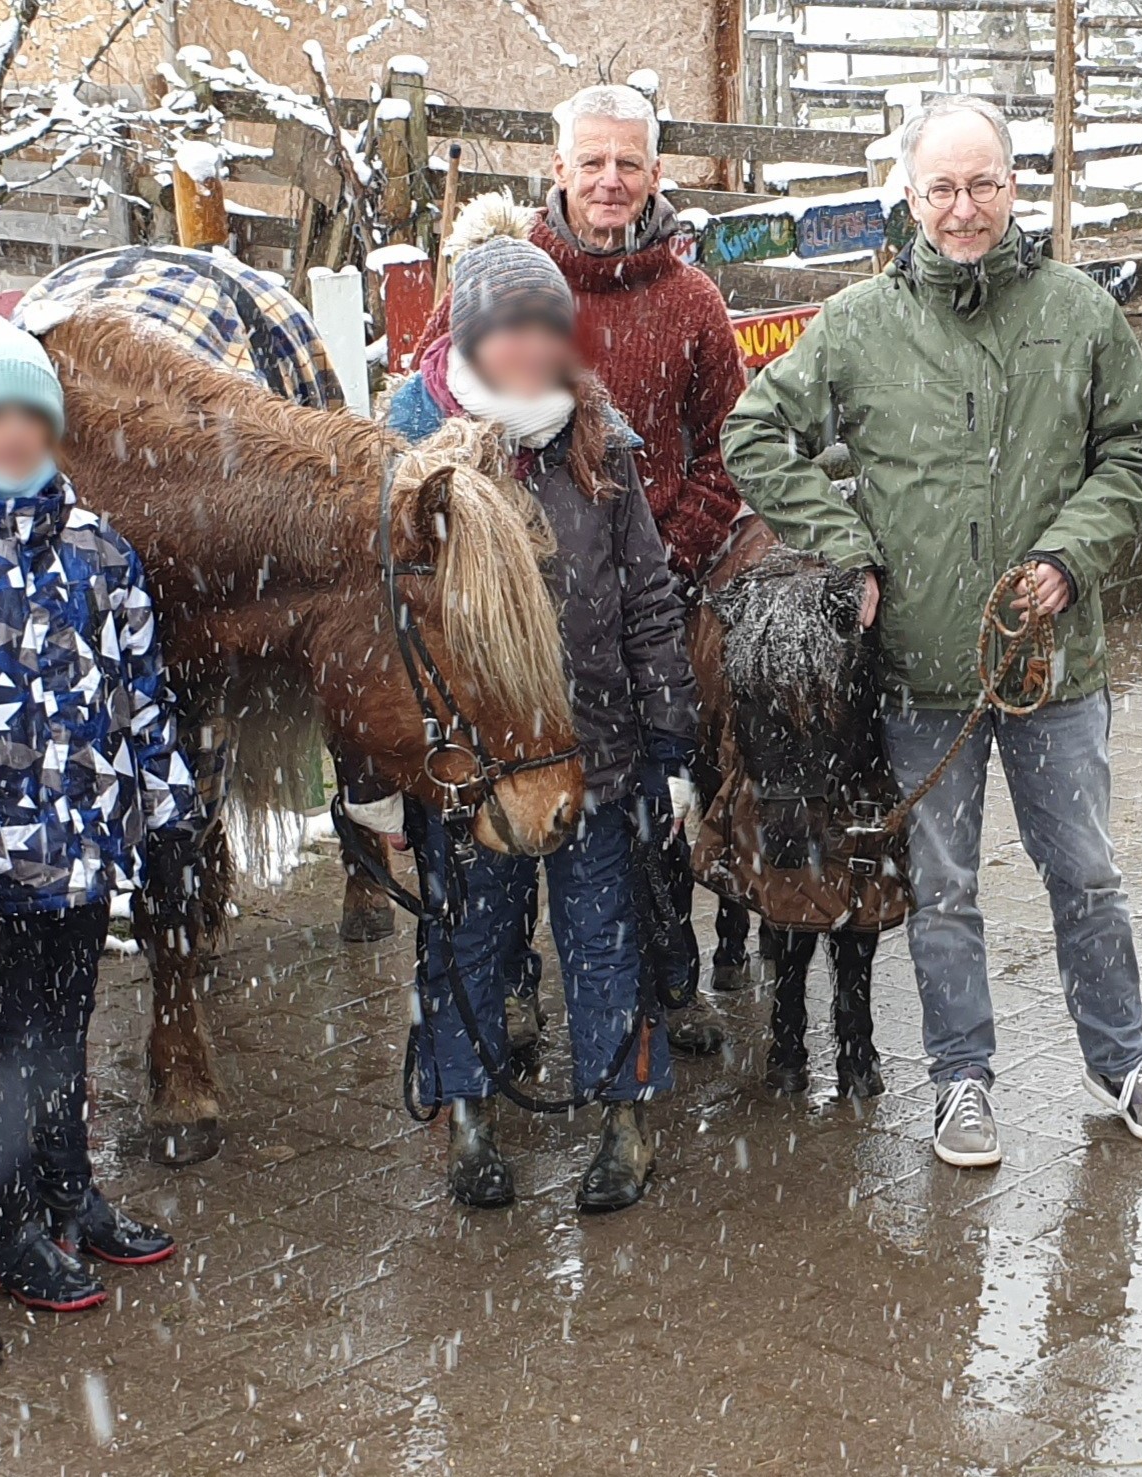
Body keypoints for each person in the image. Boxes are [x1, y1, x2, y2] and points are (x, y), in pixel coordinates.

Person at [723, 94, 1142, 1167]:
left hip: (1052, 666)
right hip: (916, 674)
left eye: (980, 183)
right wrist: (842, 544)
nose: (960, 207)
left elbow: (1134, 446)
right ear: (908, 196)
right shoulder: (856, 324)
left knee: (1082, 870)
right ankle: (960, 1080)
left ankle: (1121, 1059)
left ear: (1011, 187)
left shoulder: (1077, 311)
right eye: (938, 187)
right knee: (941, 887)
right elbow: (753, 431)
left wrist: (1069, 555)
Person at [0, 317, 197, 1310]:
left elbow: (142, 692)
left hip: (87, 850)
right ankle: (8, 1225)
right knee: (6, 1047)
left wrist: (167, 815)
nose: (11, 434)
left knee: (66, 1031)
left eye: (29, 414)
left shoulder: (101, 554)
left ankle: (71, 1193)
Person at [383, 225, 695, 1214]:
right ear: (470, 334)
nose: (525, 344)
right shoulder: (426, 463)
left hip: (592, 750)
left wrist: (670, 742)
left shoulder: (599, 448)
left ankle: (624, 1118)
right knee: (467, 934)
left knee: (607, 937)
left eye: (542, 324)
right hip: (475, 760)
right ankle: (469, 1112)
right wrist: (382, 775)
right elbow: (389, 629)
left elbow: (646, 596)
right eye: (504, 325)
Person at [537, 82, 756, 1040]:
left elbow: (730, 449)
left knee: (660, 790)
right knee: (528, 798)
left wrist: (665, 554)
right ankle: (512, 985)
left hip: (660, 596)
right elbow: (440, 414)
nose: (611, 181)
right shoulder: (511, 283)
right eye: (593, 162)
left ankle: (672, 976)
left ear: (658, 174)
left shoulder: (692, 299)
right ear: (560, 171)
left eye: (630, 163)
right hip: (529, 598)